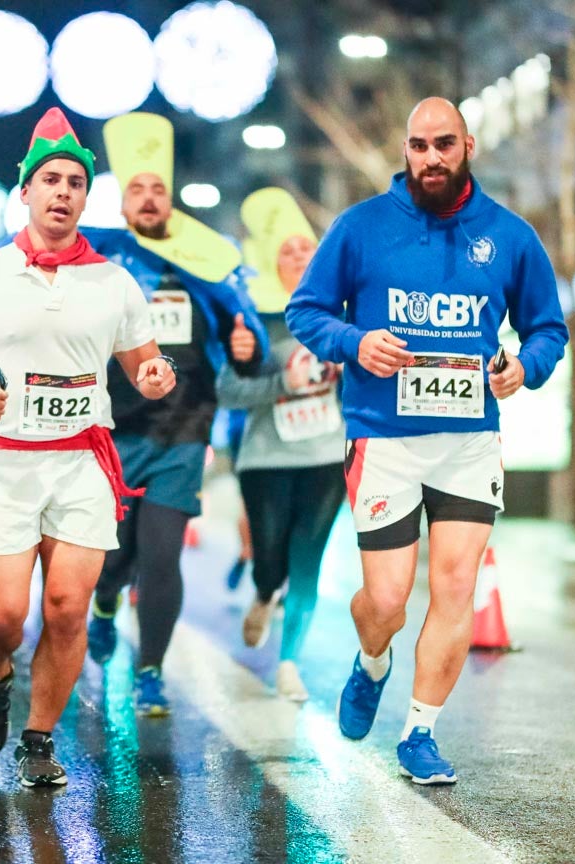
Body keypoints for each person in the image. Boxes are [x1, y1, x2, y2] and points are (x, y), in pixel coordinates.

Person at [286, 97, 568, 784]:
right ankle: (372, 662)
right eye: (419, 145)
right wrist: (355, 342)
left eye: (444, 143)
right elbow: (306, 310)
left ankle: (420, 731)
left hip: (470, 440)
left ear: (468, 144)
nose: (431, 158)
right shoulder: (361, 228)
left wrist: (522, 368)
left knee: (454, 587)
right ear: (406, 150)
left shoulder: (508, 236)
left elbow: (547, 329)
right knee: (384, 601)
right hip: (384, 438)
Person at [0, 107, 175, 788]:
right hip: (2, 464)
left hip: (80, 463)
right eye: (50, 180)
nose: (63, 192)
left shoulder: (114, 282)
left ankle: (39, 739)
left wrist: (157, 375)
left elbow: (144, 364)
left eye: (74, 182)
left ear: (85, 197)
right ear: (26, 192)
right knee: (2, 616)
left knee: (67, 607)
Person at [81, 111, 266, 716]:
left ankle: (151, 672)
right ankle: (104, 604)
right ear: (123, 200)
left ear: (170, 199)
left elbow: (250, 328)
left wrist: (249, 347)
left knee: (160, 556)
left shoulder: (207, 257)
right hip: (112, 431)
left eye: (158, 188)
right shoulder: (99, 254)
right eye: (137, 189)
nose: (149, 197)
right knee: (114, 561)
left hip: (183, 430)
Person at [216, 188, 345, 701]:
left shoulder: (343, 312)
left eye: (306, 248)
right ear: (272, 261)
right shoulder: (256, 318)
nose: (298, 257)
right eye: (287, 250)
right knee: (270, 559)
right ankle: (264, 591)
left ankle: (289, 662)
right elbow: (228, 390)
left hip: (325, 457)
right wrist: (281, 385)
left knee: (307, 559)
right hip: (266, 459)